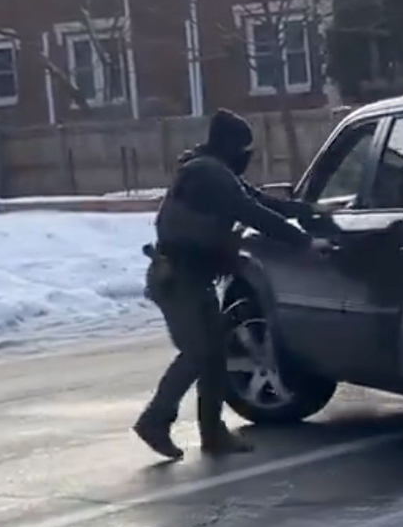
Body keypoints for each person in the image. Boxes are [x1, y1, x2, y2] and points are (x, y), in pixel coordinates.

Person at [134, 109, 333, 460]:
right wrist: (302, 242)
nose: (248, 155)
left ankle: (213, 434)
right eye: (244, 147)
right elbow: (252, 212)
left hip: (195, 275)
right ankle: (155, 420)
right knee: (198, 353)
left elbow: (260, 201)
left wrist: (304, 211)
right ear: (228, 146)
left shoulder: (213, 169)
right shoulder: (207, 173)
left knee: (214, 356)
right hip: (179, 277)